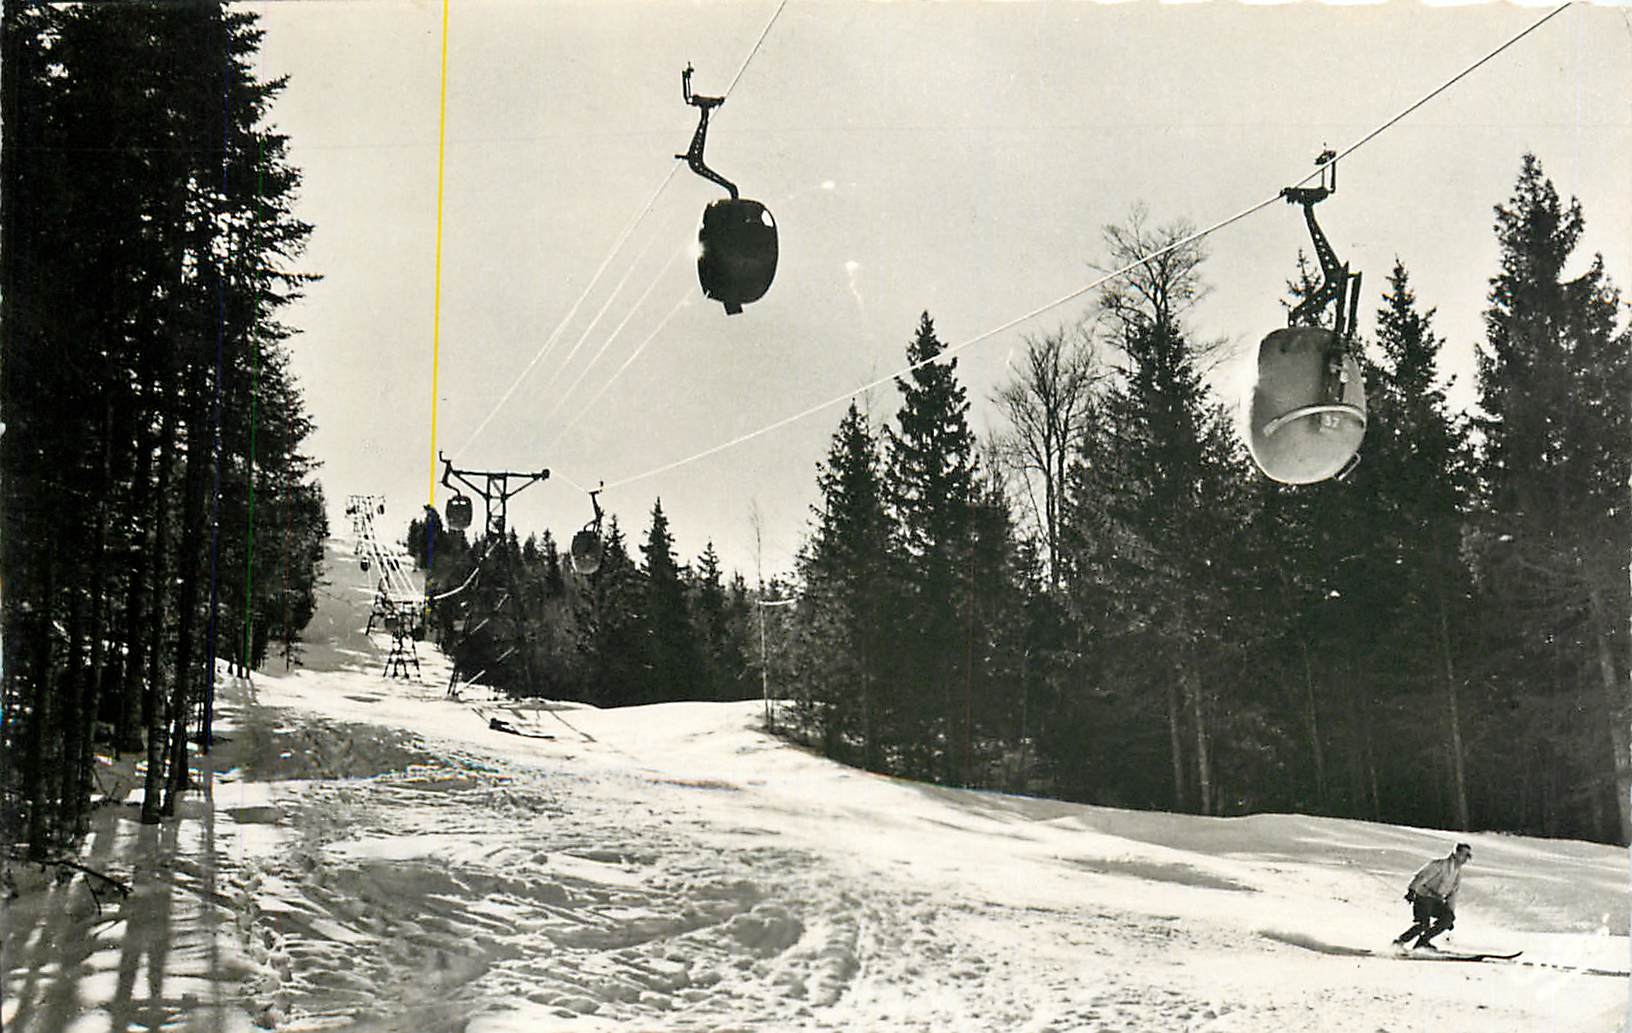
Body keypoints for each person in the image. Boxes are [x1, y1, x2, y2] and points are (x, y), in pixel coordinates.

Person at [1394, 842, 1473, 950]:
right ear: (1456, 853)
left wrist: (1449, 916)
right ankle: (1399, 942)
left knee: (1447, 918)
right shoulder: (1439, 865)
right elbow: (1421, 877)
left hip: (1437, 900)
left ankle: (1422, 942)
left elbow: (1453, 894)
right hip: (1424, 897)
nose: (1465, 859)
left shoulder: (1457, 872)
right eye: (1464, 855)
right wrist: (1412, 890)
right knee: (1423, 924)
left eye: (1467, 856)